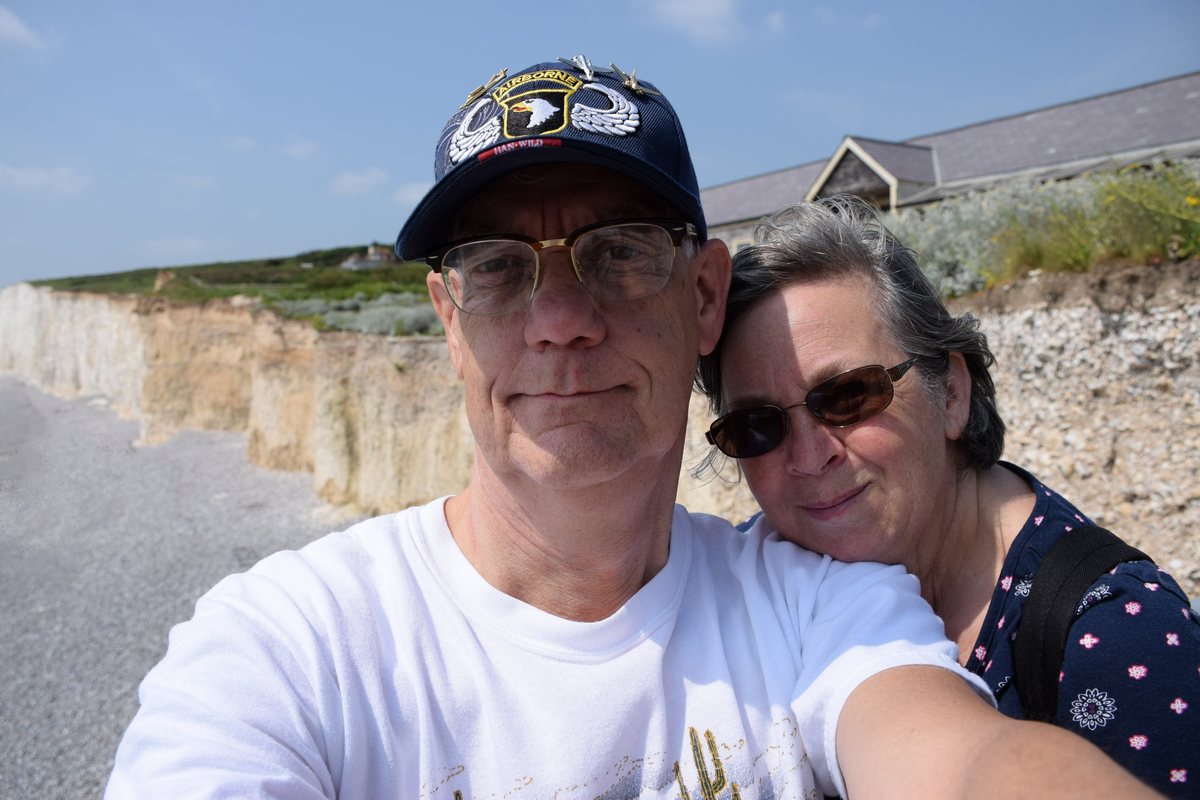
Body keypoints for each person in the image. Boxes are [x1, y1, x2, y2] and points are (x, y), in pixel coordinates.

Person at [105, 59, 1155, 799]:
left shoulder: (820, 607)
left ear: (703, 297)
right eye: (496, 267)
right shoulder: (290, 647)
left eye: (617, 252)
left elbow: (962, 760)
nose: (561, 320)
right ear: (448, 321)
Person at [697, 194, 1199, 797]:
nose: (808, 456)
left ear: (952, 394)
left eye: (848, 396)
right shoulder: (746, 594)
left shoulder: (1121, 637)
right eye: (757, 426)